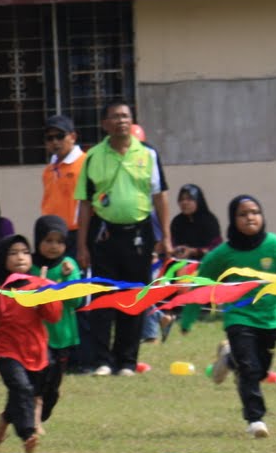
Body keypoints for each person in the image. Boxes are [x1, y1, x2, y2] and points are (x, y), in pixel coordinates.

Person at [188, 195, 276, 439]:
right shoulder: (223, 254)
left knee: (260, 370)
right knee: (250, 370)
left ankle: (229, 359)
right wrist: (189, 316)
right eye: (243, 214)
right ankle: (255, 420)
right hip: (239, 317)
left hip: (270, 319)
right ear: (233, 219)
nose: (250, 217)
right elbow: (201, 282)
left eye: (254, 211)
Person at [74, 100, 169, 377]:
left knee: (134, 298)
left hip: (140, 233)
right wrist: (81, 245)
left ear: (133, 121)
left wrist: (165, 237)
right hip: (104, 234)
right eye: (115, 117)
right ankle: (103, 360)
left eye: (125, 116)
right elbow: (85, 204)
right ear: (105, 124)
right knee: (104, 297)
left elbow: (160, 196)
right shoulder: (93, 156)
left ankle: (127, 361)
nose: (121, 121)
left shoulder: (148, 154)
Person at [0, 234, 62, 453]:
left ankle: (6, 418)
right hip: (5, 352)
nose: (20, 257)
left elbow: (52, 316)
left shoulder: (39, 285)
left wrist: (45, 292)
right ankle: (27, 434)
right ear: (3, 259)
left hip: (36, 351)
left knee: (29, 391)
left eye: (24, 252)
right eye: (13, 253)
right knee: (21, 388)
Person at [32, 215, 82, 428]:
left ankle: (44, 407)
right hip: (36, 335)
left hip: (62, 335)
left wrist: (68, 279)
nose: (54, 246)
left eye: (59, 241)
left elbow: (76, 301)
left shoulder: (68, 265)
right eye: (48, 240)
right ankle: (32, 417)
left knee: (53, 384)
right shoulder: (31, 267)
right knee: (37, 380)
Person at [40, 114, 85, 233]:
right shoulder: (49, 170)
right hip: (53, 232)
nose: (55, 142)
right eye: (49, 138)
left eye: (60, 136)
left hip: (77, 231)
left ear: (73, 137)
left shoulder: (85, 163)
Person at [169, 184, 222, 262]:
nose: (184, 203)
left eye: (189, 199)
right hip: (180, 264)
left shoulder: (210, 221)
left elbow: (216, 249)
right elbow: (171, 244)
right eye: (181, 199)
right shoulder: (177, 221)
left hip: (205, 264)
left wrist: (193, 251)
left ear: (198, 201)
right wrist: (176, 250)